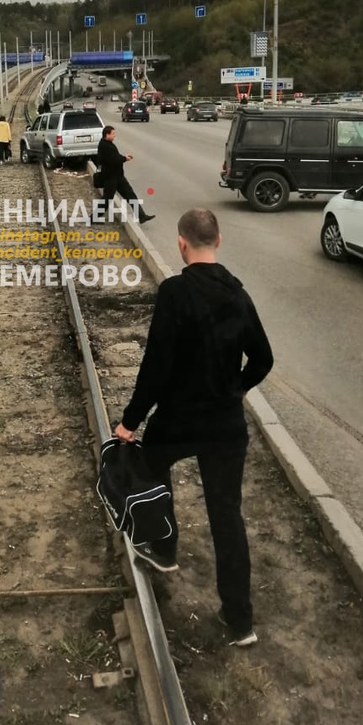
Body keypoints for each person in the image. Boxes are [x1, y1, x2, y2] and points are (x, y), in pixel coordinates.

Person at [114, 208, 273, 647]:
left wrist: (130, 421)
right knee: (227, 517)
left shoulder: (174, 293)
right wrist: (234, 391)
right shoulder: (239, 295)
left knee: (150, 467)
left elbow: (157, 367)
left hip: (178, 420)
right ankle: (240, 622)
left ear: (182, 243)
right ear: (218, 240)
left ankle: (164, 550)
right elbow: (264, 359)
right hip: (225, 426)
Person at [96, 125, 154, 224]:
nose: (115, 135)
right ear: (107, 134)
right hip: (111, 178)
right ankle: (93, 218)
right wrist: (125, 159)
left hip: (118, 177)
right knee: (107, 198)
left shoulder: (107, 144)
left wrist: (123, 157)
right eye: (113, 133)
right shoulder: (105, 146)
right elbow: (113, 160)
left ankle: (141, 216)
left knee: (130, 195)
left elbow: (115, 157)